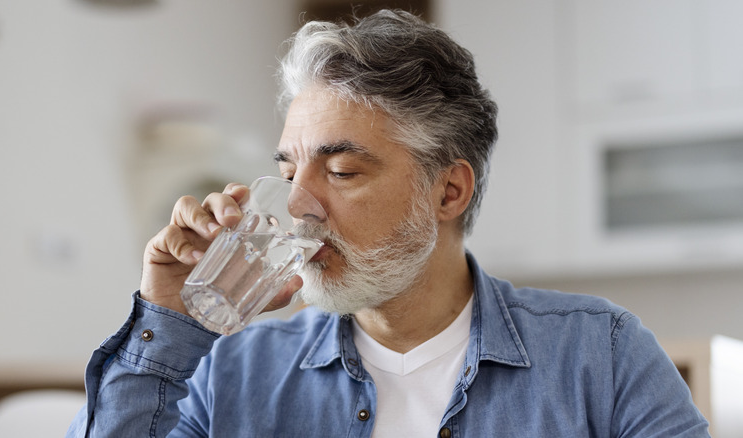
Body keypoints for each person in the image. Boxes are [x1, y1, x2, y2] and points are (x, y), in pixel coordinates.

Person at [68, 9, 709, 437]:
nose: (296, 203)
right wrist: (166, 319)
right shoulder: (229, 373)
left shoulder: (604, 357)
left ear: (449, 190)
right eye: (288, 170)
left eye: (342, 171)